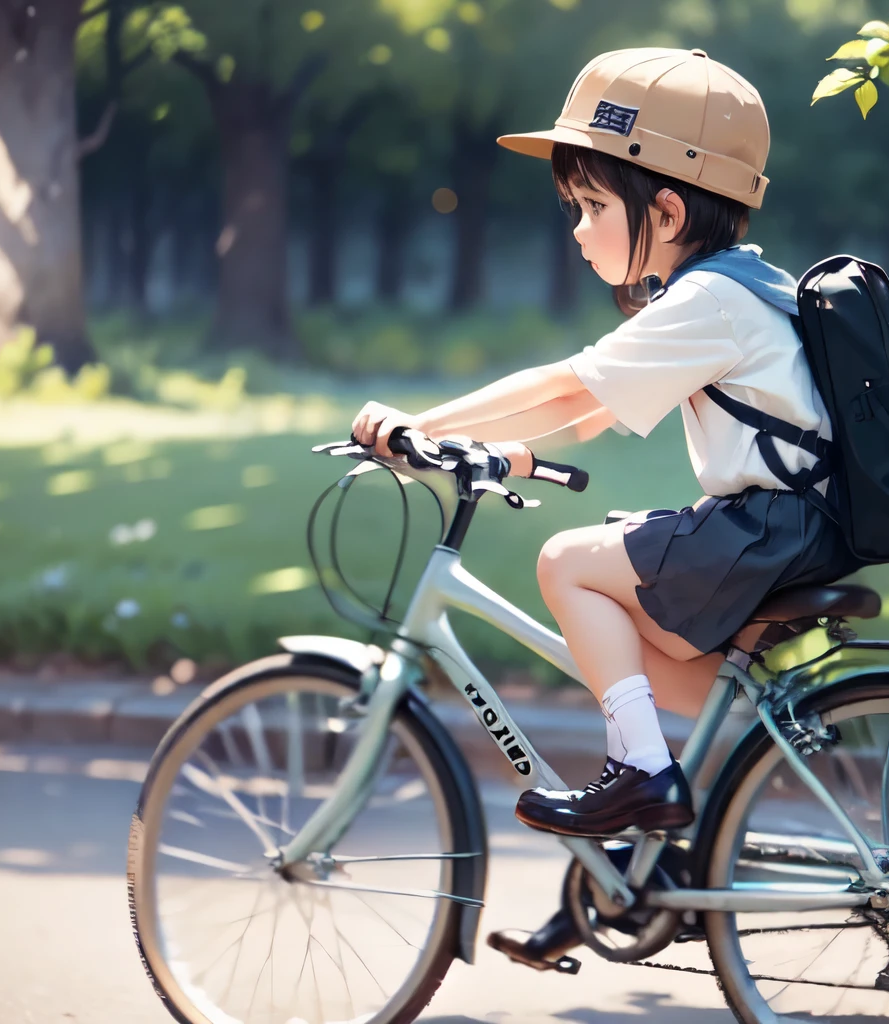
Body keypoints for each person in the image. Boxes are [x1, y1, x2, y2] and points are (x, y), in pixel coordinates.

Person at [350, 46, 858, 969]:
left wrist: (412, 423)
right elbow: (591, 406)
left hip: (772, 529)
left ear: (666, 210)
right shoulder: (733, 286)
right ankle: (639, 868)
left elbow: (562, 382)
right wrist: (511, 452)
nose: (578, 232)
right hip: (796, 528)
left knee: (567, 564)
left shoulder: (708, 299)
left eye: (592, 208)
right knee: (627, 612)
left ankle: (642, 782)